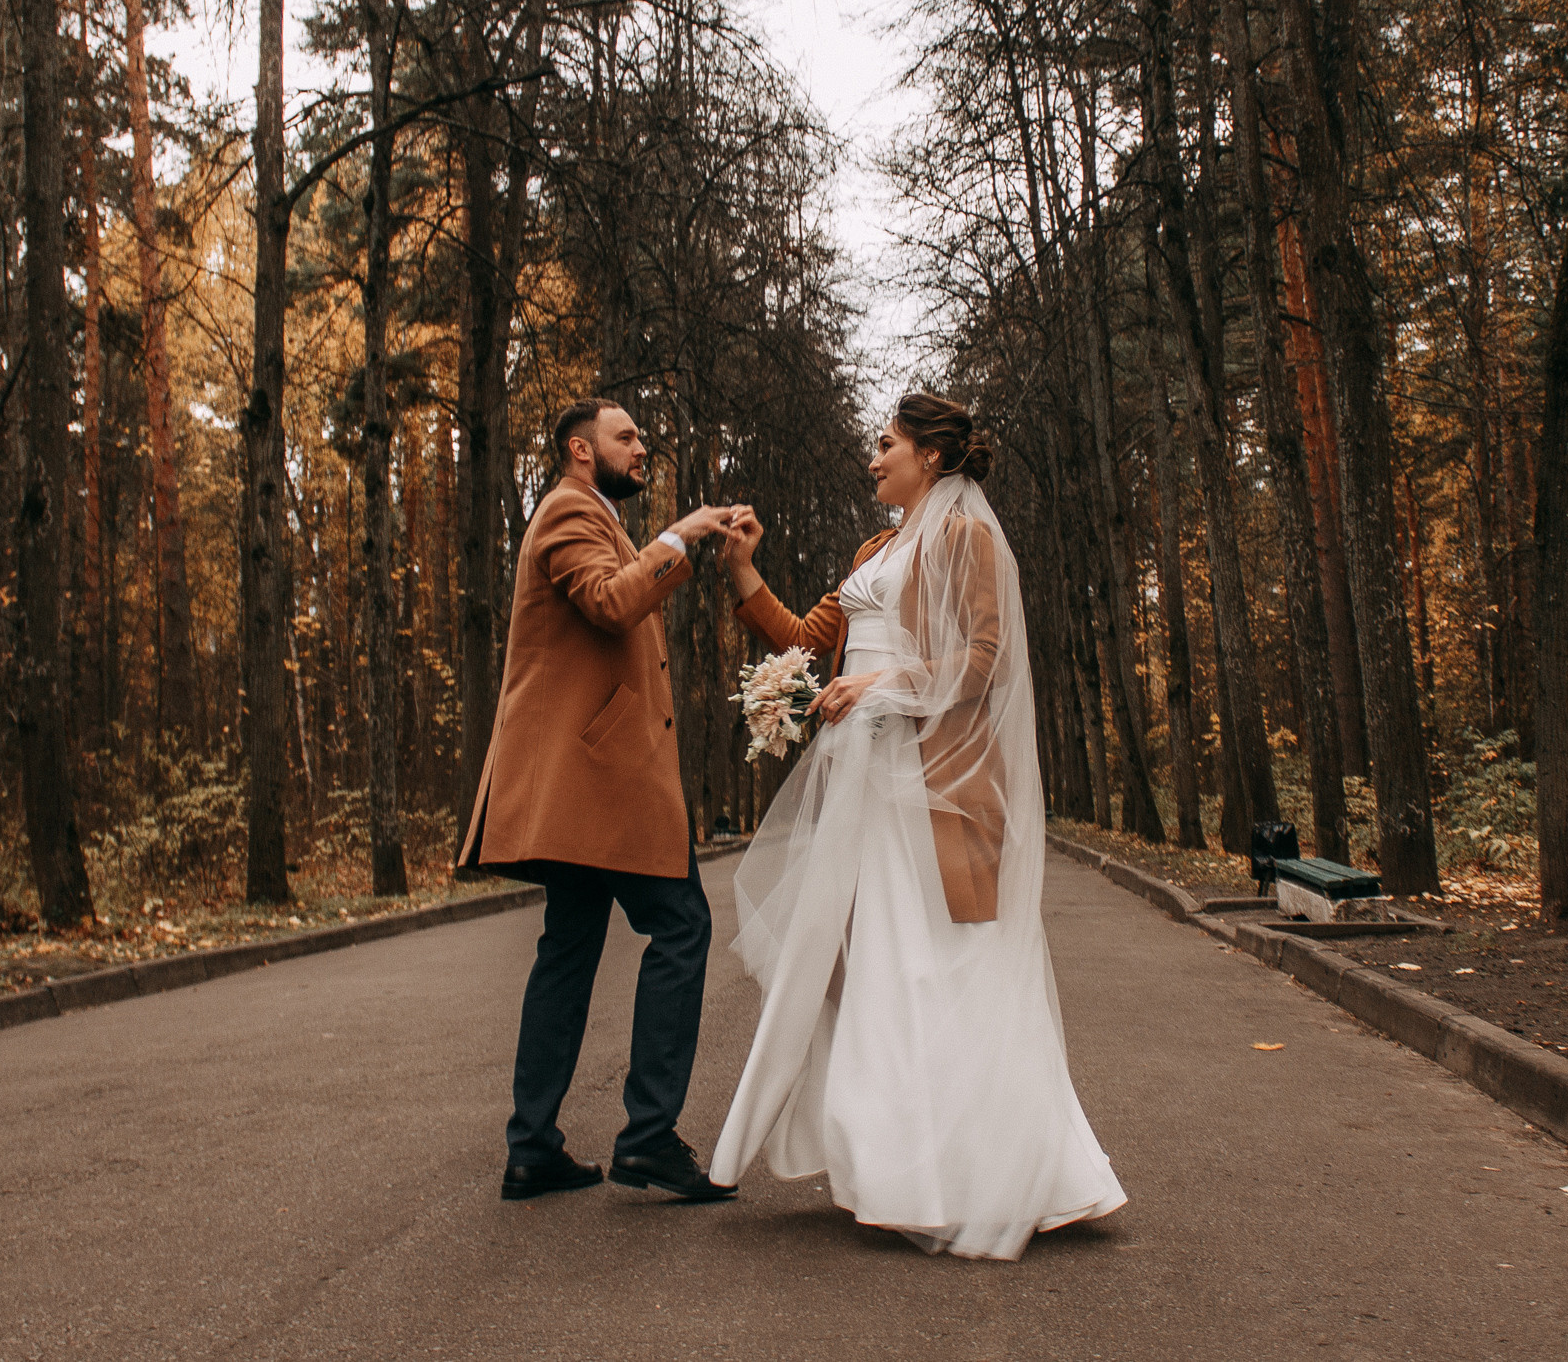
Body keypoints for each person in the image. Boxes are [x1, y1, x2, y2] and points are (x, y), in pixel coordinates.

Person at [712, 392, 1126, 1259]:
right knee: (874, 972)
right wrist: (745, 568)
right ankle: (894, 1167)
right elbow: (804, 633)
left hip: (934, 785)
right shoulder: (875, 550)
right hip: (862, 787)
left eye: (887, 442)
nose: (874, 456)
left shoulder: (970, 539)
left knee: (939, 966)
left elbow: (986, 660)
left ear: (930, 457)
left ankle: (1002, 1170)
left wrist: (884, 686)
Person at [460, 398, 744, 1203]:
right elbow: (610, 601)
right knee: (682, 925)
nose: (642, 446)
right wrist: (680, 537)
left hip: (591, 782)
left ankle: (533, 1146)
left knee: (571, 945)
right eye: (627, 437)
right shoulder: (566, 511)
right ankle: (648, 1137)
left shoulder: (593, 515)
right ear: (581, 450)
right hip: (597, 780)